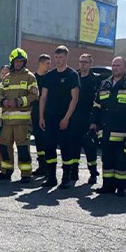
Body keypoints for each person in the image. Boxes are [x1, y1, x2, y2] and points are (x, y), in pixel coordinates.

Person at [90, 57, 126, 196]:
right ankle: (107, 185)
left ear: (125, 67)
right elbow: (97, 105)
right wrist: (93, 123)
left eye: (118, 65)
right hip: (106, 131)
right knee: (107, 160)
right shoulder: (105, 84)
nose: (115, 67)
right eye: (113, 65)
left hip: (123, 133)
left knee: (121, 161)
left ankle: (121, 187)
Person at [0, 48, 40, 183]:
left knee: (22, 147)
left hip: (22, 121)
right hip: (7, 120)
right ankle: (6, 171)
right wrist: (4, 101)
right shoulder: (7, 78)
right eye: (16, 61)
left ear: (24, 62)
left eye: (21, 61)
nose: (18, 64)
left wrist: (18, 102)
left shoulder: (30, 77)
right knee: (4, 146)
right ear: (12, 62)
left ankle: (26, 173)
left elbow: (34, 95)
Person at [39, 46, 80, 188]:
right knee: (49, 147)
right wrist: (41, 117)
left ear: (67, 58)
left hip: (65, 118)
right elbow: (43, 97)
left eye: (61, 57)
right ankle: (51, 177)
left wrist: (66, 118)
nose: (58, 60)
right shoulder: (49, 76)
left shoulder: (72, 75)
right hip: (50, 117)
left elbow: (74, 99)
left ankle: (66, 178)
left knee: (66, 147)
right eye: (56, 57)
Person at [73, 53, 101, 185]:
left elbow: (99, 101)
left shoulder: (96, 80)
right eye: (81, 61)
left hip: (89, 118)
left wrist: (95, 121)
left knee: (90, 148)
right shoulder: (74, 77)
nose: (82, 64)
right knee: (73, 146)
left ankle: (93, 173)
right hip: (74, 118)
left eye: (85, 62)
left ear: (90, 64)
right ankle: (74, 172)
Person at [31, 54, 52, 176]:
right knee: (38, 140)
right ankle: (41, 166)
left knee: (47, 140)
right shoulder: (33, 78)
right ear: (40, 63)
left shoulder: (50, 77)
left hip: (48, 114)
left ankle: (49, 166)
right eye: (47, 63)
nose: (49, 66)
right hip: (35, 113)